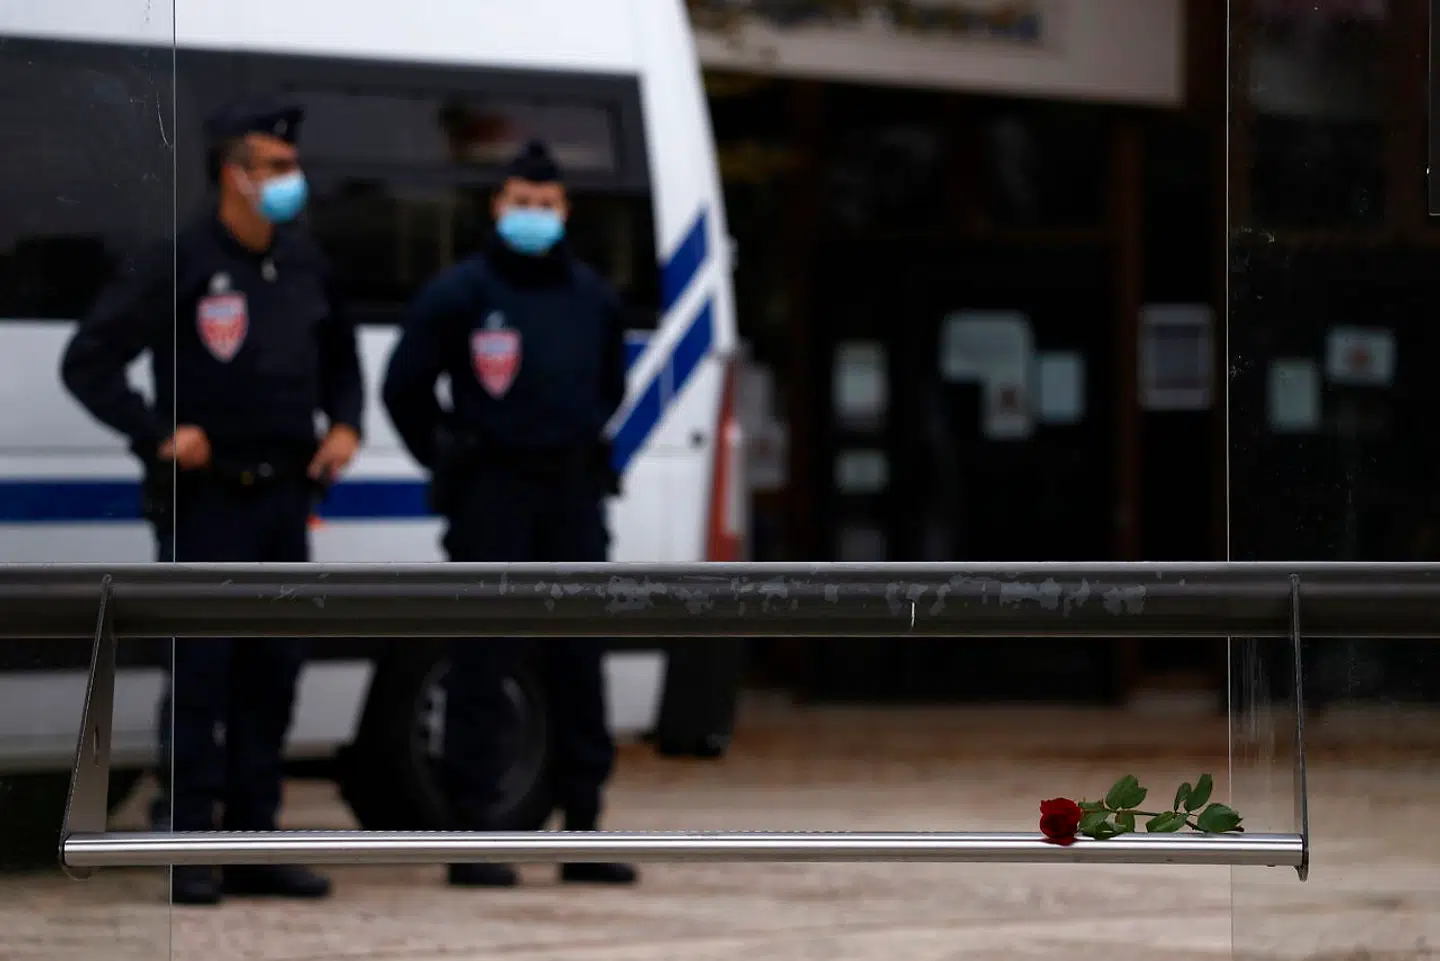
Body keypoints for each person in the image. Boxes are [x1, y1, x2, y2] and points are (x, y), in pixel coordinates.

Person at [60, 95, 364, 906]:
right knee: (200, 677)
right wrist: (157, 431)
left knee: (272, 675)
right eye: (275, 166)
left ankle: (256, 841)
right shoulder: (181, 259)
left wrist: (346, 423)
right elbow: (88, 360)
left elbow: (342, 355)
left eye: (292, 166)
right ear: (233, 175)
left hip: (284, 500)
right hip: (205, 502)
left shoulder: (304, 261)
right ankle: (187, 843)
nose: (290, 180)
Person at [382, 139, 637, 888]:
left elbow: (609, 387)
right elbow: (405, 388)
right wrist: (451, 459)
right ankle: (473, 832)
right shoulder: (460, 293)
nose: (534, 216)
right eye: (521, 203)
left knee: (579, 658)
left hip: (570, 494)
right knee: (482, 659)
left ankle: (584, 827)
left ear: (566, 210)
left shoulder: (591, 295)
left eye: (547, 205)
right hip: (491, 494)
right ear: (498, 206)